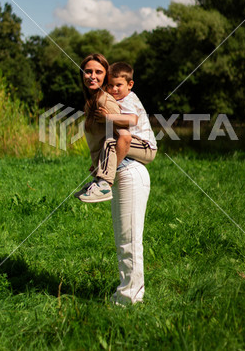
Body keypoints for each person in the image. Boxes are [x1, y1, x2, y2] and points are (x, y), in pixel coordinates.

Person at [78, 54, 152, 305]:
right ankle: (128, 294)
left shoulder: (107, 101)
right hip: (123, 168)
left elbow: (123, 137)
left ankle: (129, 300)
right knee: (125, 240)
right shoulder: (96, 100)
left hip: (129, 170)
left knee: (129, 241)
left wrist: (104, 177)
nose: (93, 76)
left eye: (99, 72)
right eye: (88, 71)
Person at [79, 61, 157, 202]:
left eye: (118, 85)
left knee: (110, 143)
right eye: (110, 85)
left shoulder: (128, 99)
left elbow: (132, 120)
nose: (114, 89)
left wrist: (107, 117)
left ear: (130, 84)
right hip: (136, 143)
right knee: (108, 143)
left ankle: (104, 184)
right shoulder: (117, 98)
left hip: (146, 146)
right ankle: (99, 180)